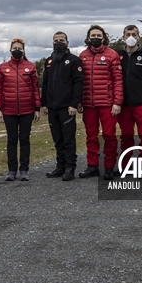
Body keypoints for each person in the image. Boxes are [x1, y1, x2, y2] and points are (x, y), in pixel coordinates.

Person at [78, 25, 123, 179]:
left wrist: (117, 102)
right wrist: (79, 101)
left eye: (98, 35)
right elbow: (79, 81)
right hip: (88, 104)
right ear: (88, 38)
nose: (95, 38)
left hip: (107, 104)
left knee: (109, 135)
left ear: (103, 38)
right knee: (91, 136)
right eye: (93, 35)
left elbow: (118, 80)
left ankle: (109, 167)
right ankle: (92, 166)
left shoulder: (112, 55)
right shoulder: (83, 56)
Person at [0, 38, 41, 181]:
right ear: (10, 50)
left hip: (27, 110)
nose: (17, 50)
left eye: (19, 48)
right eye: (15, 48)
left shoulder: (30, 67)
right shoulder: (3, 67)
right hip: (9, 110)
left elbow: (35, 89)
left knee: (25, 139)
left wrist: (37, 108)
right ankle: (12, 170)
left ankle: (24, 170)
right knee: (12, 140)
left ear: (23, 50)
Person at [41, 32, 84, 181]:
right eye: (56, 40)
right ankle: (60, 166)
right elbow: (45, 83)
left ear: (67, 42)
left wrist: (74, 104)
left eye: (61, 40)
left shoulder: (74, 60)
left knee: (68, 139)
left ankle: (70, 167)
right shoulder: (49, 61)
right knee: (57, 139)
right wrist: (44, 103)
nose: (58, 42)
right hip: (52, 107)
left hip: (67, 107)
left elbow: (78, 83)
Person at [117, 25, 142, 175]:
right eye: (128, 34)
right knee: (126, 136)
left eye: (134, 34)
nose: (131, 37)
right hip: (124, 104)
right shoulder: (117, 55)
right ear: (123, 37)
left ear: (139, 36)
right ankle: (125, 165)